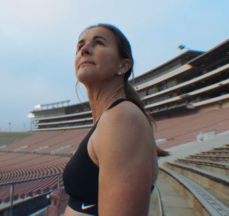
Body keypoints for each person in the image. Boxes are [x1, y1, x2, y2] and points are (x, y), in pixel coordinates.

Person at [62, 23, 168, 216]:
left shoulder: (122, 118)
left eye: (99, 43)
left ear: (123, 65)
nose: (84, 50)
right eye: (80, 46)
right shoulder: (110, 120)